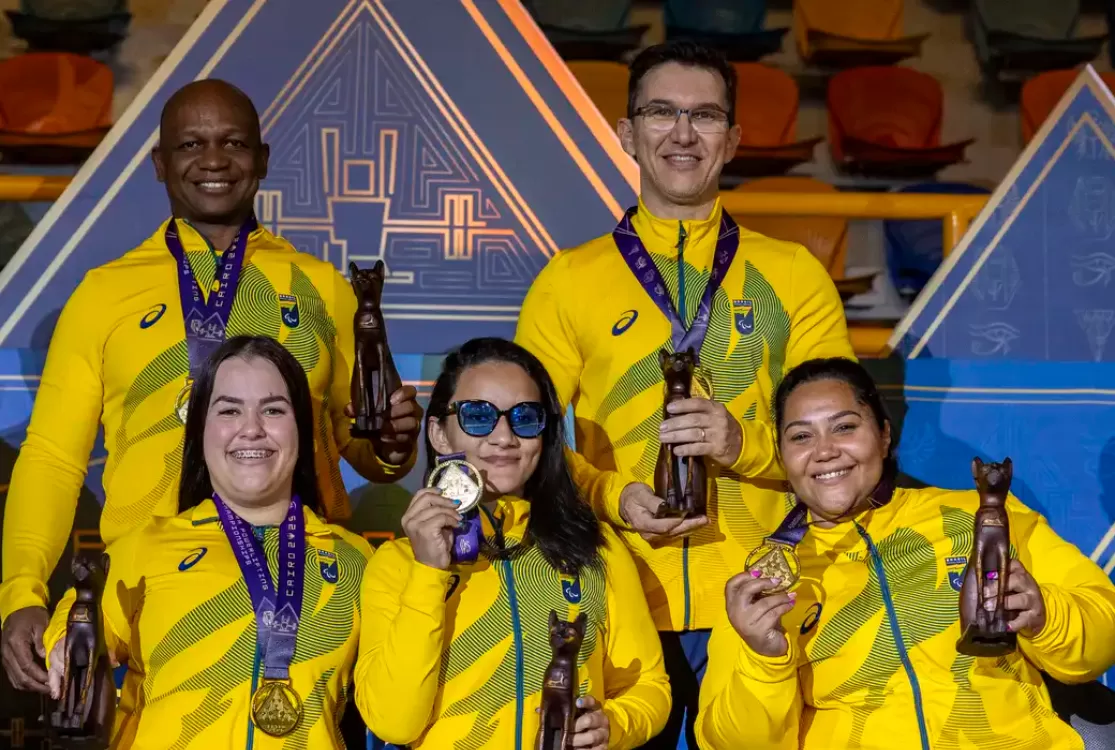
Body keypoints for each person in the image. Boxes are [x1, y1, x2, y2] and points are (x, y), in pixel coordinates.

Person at [1, 79, 422, 695]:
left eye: (234, 142)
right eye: (191, 144)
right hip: (145, 599)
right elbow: (54, 460)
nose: (214, 160)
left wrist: (388, 446)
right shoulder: (103, 295)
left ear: (263, 159)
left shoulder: (323, 287)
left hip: (301, 594)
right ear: (159, 164)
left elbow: (349, 448)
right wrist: (22, 592)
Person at [515, 40, 853, 746]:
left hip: (763, 592)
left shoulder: (792, 274)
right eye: (661, 112)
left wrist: (745, 444)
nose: (681, 132)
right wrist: (613, 497)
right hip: (619, 597)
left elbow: (842, 444)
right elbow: (522, 443)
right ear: (626, 133)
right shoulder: (567, 280)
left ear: (731, 140)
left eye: (704, 116)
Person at [697, 357, 1115, 749]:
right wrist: (763, 660)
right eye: (801, 436)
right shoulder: (765, 577)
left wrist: (1045, 617)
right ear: (784, 455)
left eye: (844, 427)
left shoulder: (982, 514)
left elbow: (1103, 628)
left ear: (883, 435)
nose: (824, 450)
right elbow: (728, 740)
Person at [44, 335, 379, 747]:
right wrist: (63, 642)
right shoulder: (145, 547)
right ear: (201, 428)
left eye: (273, 409)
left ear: (302, 428)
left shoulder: (354, 560)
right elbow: (82, 617)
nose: (252, 429)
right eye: (230, 410)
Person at [355, 337, 671, 749]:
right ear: (439, 434)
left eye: (524, 417)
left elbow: (648, 685)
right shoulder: (396, 564)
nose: (504, 436)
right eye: (478, 416)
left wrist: (614, 724)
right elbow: (395, 723)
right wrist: (428, 572)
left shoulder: (595, 547)